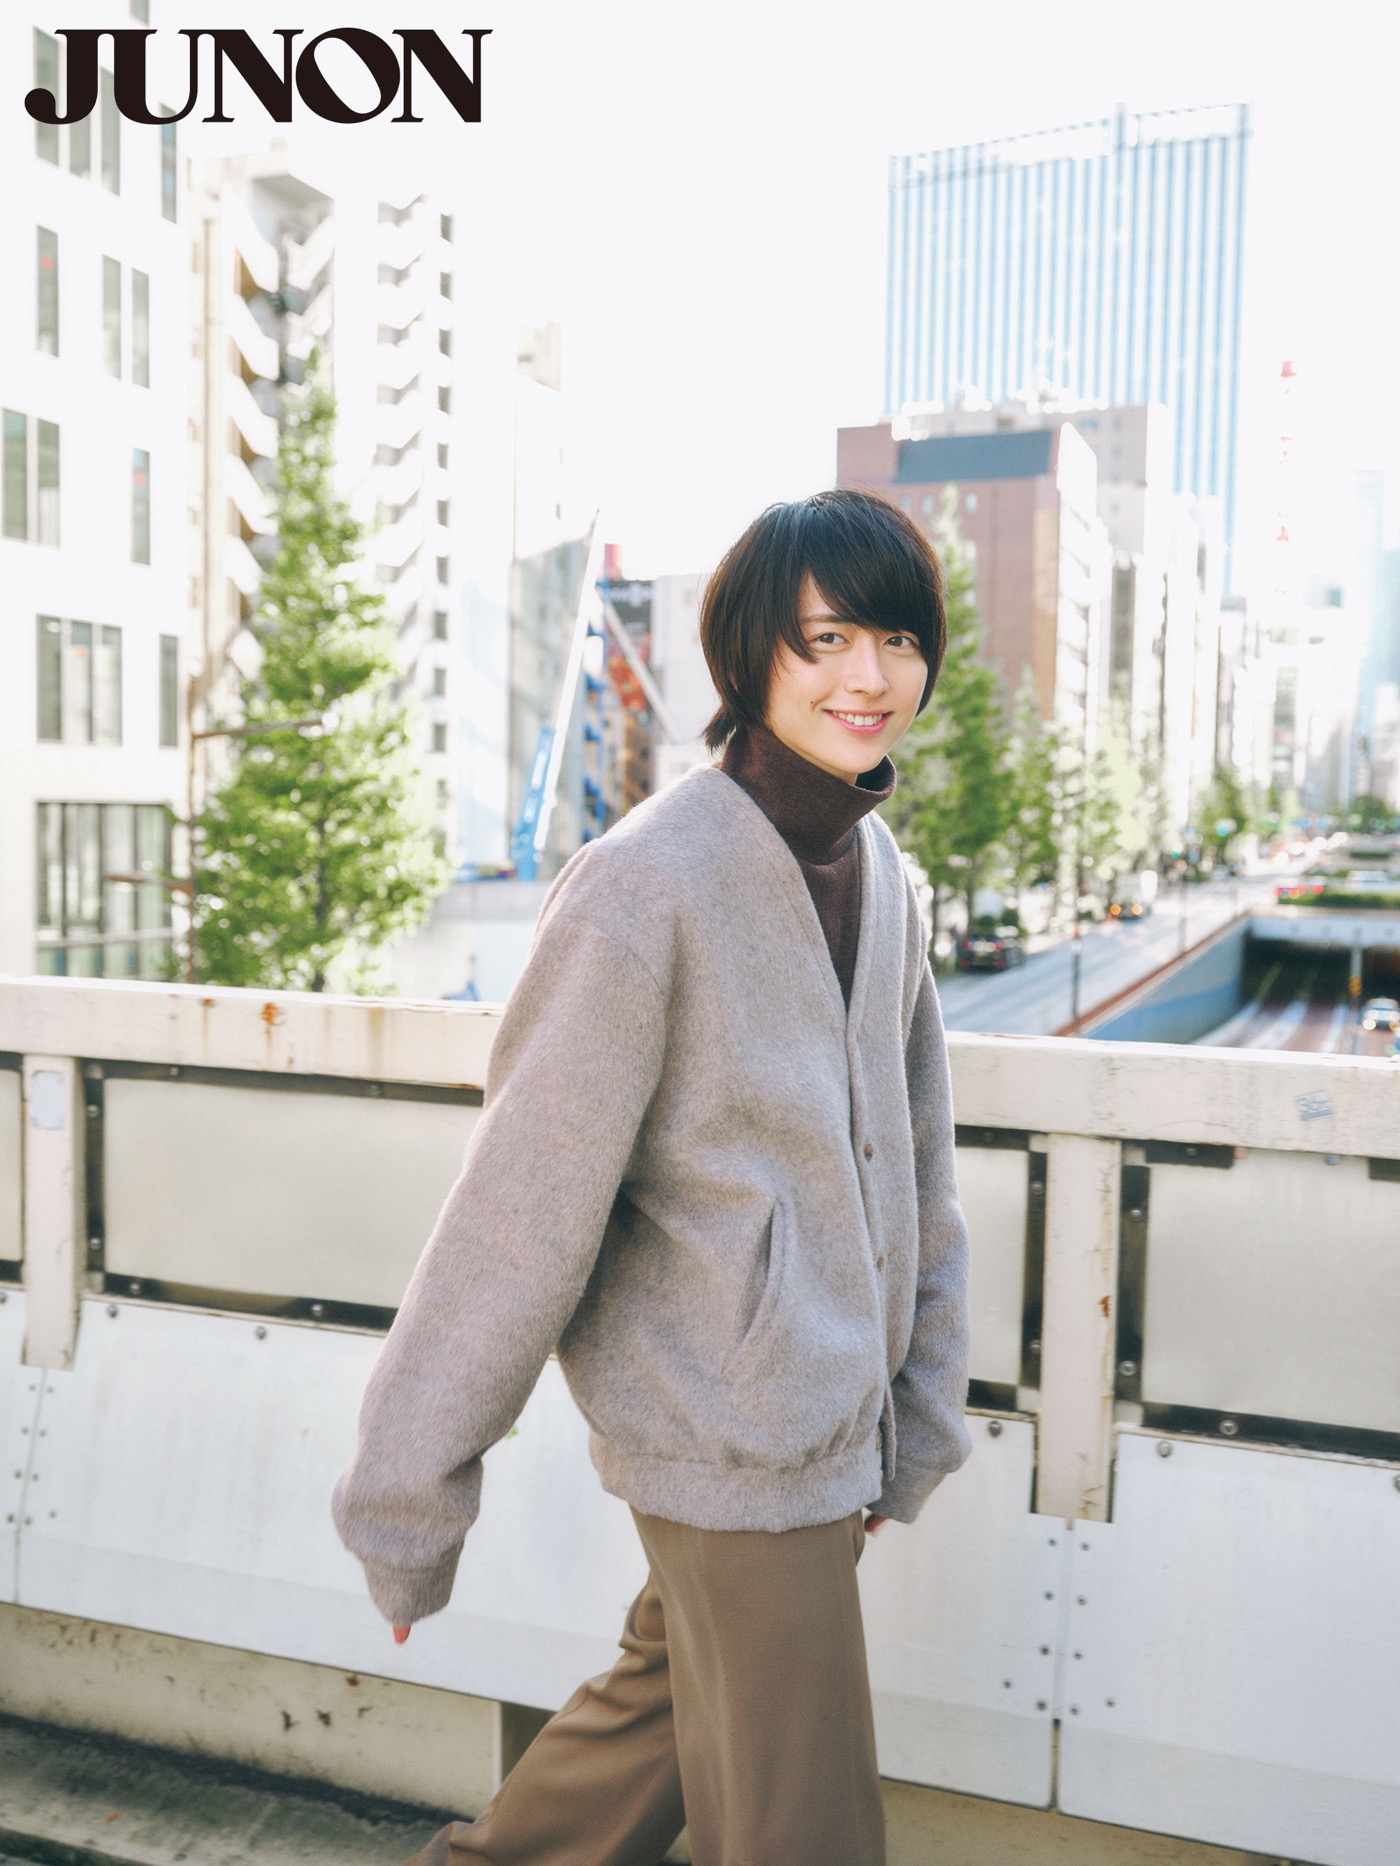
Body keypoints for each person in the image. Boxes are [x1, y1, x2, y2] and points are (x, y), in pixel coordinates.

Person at [332, 487, 973, 1866]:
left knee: (654, 1723)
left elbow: (920, 1165)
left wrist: (910, 1412)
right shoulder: (645, 886)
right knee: (806, 1834)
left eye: (900, 640)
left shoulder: (880, 872)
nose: (872, 677)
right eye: (827, 640)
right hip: (731, 1435)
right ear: (750, 656)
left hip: (821, 1433)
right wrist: (408, 1501)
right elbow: (518, 1215)